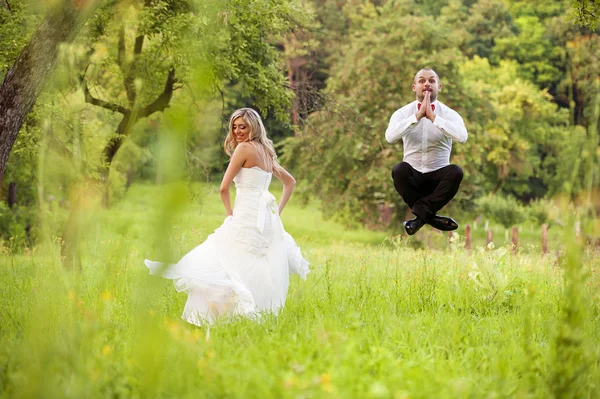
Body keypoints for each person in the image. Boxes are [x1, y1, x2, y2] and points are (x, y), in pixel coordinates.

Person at [145, 108, 310, 326]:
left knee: (223, 260)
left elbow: (223, 188)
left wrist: (230, 215)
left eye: (243, 126)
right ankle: (247, 315)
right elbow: (290, 183)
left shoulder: (243, 149)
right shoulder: (266, 151)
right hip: (265, 220)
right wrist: (276, 214)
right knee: (248, 265)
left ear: (254, 126)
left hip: (245, 216)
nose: (238, 131)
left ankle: (211, 318)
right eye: (234, 126)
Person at [385, 68, 467, 235]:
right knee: (399, 169)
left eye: (431, 81)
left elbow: (462, 137)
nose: (427, 84)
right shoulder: (402, 113)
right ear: (414, 87)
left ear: (439, 86)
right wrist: (417, 117)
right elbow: (390, 137)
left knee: (456, 171)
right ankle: (430, 218)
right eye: (422, 81)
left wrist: (433, 118)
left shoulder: (450, 114)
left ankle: (420, 219)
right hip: (413, 178)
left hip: (438, 180)